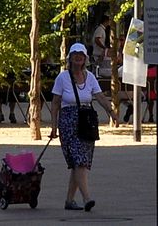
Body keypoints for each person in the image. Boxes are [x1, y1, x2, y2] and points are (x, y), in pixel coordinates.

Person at [50, 42, 110, 212]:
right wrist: (54, 127)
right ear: (70, 58)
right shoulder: (62, 78)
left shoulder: (90, 77)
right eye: (75, 55)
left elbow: (100, 96)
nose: (78, 58)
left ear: (85, 58)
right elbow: (55, 103)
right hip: (68, 122)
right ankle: (86, 198)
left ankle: (69, 200)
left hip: (86, 122)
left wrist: (111, 112)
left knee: (80, 163)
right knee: (79, 160)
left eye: (81, 55)